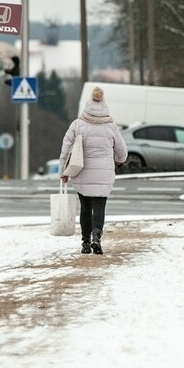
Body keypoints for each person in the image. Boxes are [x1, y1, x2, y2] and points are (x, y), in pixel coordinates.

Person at [59, 86, 127, 255]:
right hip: (104, 173)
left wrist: (64, 171)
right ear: (104, 105)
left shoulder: (78, 124)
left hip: (81, 171)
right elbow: (122, 150)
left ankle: (85, 243)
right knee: (99, 207)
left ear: (88, 104)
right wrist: (119, 160)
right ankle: (97, 235)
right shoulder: (111, 126)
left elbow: (66, 148)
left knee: (85, 208)